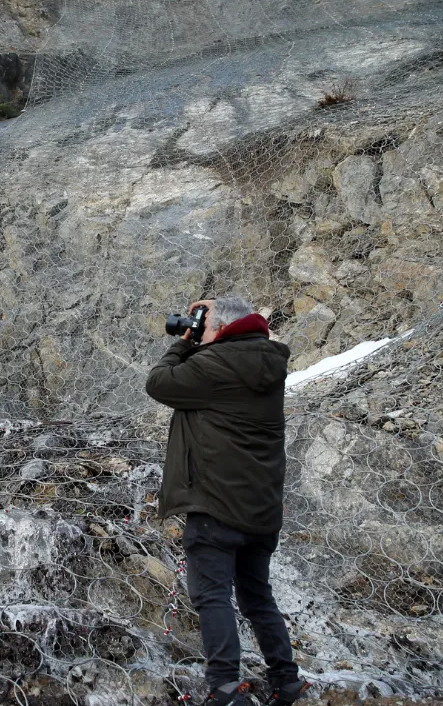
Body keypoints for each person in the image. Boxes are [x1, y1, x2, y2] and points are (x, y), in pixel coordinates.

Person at [145, 296, 308, 706]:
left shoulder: (214, 364)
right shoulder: (267, 362)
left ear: (218, 329)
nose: (198, 328)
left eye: (204, 323)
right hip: (262, 510)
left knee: (212, 595)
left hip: (216, 506)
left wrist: (184, 342)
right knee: (257, 595)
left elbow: (159, 383)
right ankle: (286, 682)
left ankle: (224, 689)